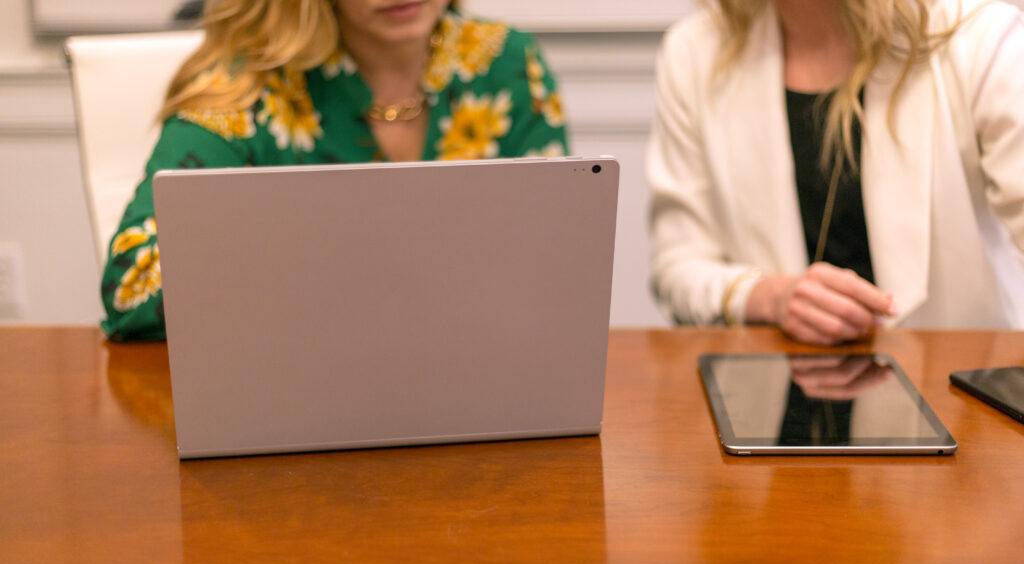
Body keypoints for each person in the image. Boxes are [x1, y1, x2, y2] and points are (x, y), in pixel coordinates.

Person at [101, 0, 568, 341]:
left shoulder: (507, 60)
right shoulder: (242, 89)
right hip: (291, 405)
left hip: (472, 389)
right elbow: (132, 284)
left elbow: (555, 264)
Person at [647, 0, 1024, 345]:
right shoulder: (694, 53)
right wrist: (767, 296)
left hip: (957, 394)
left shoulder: (982, 39)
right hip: (780, 395)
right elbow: (678, 269)